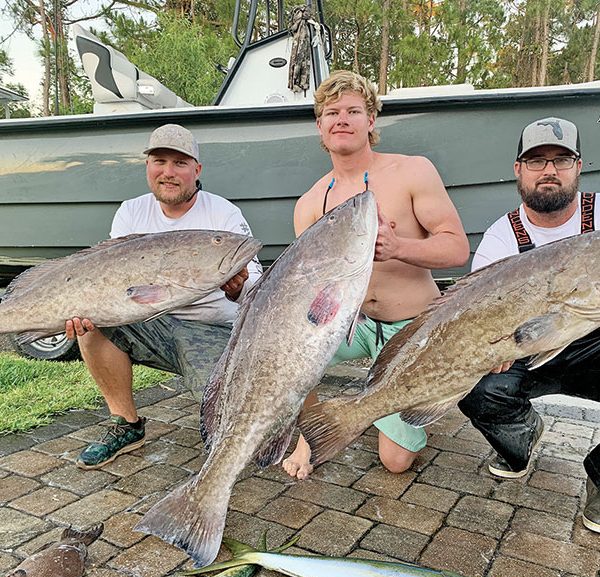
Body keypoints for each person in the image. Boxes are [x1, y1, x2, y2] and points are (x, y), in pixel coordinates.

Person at [282, 70, 470, 480]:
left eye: (353, 110)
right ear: (320, 126)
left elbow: (457, 249)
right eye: (332, 112)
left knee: (395, 462)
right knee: (293, 353)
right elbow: (313, 284)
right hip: (352, 324)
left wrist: (399, 248)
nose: (342, 119)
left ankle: (410, 401)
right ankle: (308, 436)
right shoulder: (310, 203)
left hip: (412, 325)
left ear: (371, 120)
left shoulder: (412, 172)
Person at [67, 124, 262, 470]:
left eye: (180, 163)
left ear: (197, 170)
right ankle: (126, 424)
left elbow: (256, 282)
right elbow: (112, 281)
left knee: (226, 433)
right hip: (150, 324)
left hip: (212, 331)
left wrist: (238, 288)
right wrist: (84, 308)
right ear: (147, 167)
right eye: (159, 161)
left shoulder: (224, 215)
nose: (168, 172)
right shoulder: (131, 212)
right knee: (91, 323)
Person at [459, 116, 600, 533]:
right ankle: (519, 439)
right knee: (477, 388)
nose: (549, 171)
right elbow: (478, 317)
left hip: (594, 344)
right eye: (537, 160)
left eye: (562, 159)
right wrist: (487, 350)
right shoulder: (501, 238)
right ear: (518, 170)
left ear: (579, 166)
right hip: (529, 346)